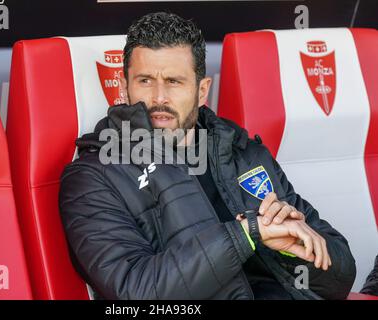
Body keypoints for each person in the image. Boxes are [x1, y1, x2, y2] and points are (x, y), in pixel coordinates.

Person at [59, 12, 356, 300]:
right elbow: (135, 289)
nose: (159, 97)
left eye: (174, 81)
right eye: (145, 81)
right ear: (124, 88)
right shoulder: (94, 175)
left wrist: (291, 250)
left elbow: (341, 278)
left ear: (202, 91)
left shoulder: (241, 151)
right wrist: (247, 233)